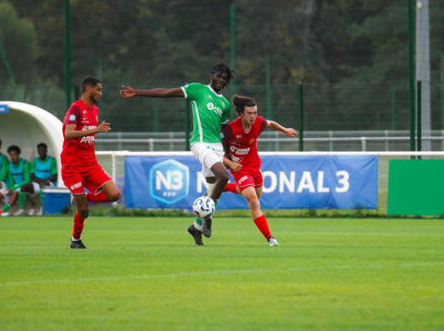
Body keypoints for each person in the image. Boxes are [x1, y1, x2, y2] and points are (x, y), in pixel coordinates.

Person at [120, 63, 233, 246]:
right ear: (212, 75)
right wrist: (138, 92)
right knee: (223, 176)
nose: (220, 80)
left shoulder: (225, 104)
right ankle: (207, 217)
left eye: (224, 78)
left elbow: (224, 129)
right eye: (218, 76)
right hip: (200, 143)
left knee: (212, 188)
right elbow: (166, 92)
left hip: (217, 147)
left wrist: (228, 153)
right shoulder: (197, 90)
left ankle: (195, 227)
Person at [222, 95, 297, 246]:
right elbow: (215, 152)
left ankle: (225, 187)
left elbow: (271, 123)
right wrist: (230, 163)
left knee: (256, 195)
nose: (253, 116)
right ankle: (270, 238)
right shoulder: (230, 130)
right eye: (249, 113)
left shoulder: (258, 122)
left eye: (255, 112)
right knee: (254, 201)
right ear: (241, 114)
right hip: (239, 168)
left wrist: (285, 130)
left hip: (254, 165)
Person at [62, 76, 121, 249]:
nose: (101, 94)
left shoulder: (94, 110)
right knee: (84, 211)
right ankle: (75, 240)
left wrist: (94, 130)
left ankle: (82, 198)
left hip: (90, 163)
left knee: (114, 194)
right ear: (88, 89)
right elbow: (68, 134)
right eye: (98, 90)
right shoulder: (75, 109)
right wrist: (96, 129)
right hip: (72, 165)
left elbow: (87, 134)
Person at [17, 142, 58, 216]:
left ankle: (42, 209)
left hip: (48, 183)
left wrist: (45, 180)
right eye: (39, 151)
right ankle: (21, 209)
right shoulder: (35, 161)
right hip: (38, 182)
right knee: (24, 187)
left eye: (43, 150)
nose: (41, 152)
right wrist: (40, 181)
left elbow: (55, 176)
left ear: (46, 150)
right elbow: (32, 176)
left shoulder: (52, 161)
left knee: (43, 185)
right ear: (38, 151)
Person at [0, 145, 30, 216]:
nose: (12, 157)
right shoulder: (9, 165)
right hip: (14, 186)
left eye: (14, 155)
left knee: (16, 192)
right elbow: (11, 180)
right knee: (0, 192)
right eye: (10, 155)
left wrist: (13, 188)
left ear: (18, 154)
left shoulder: (25, 164)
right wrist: (9, 187)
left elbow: (27, 180)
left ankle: (2, 211)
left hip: (24, 186)